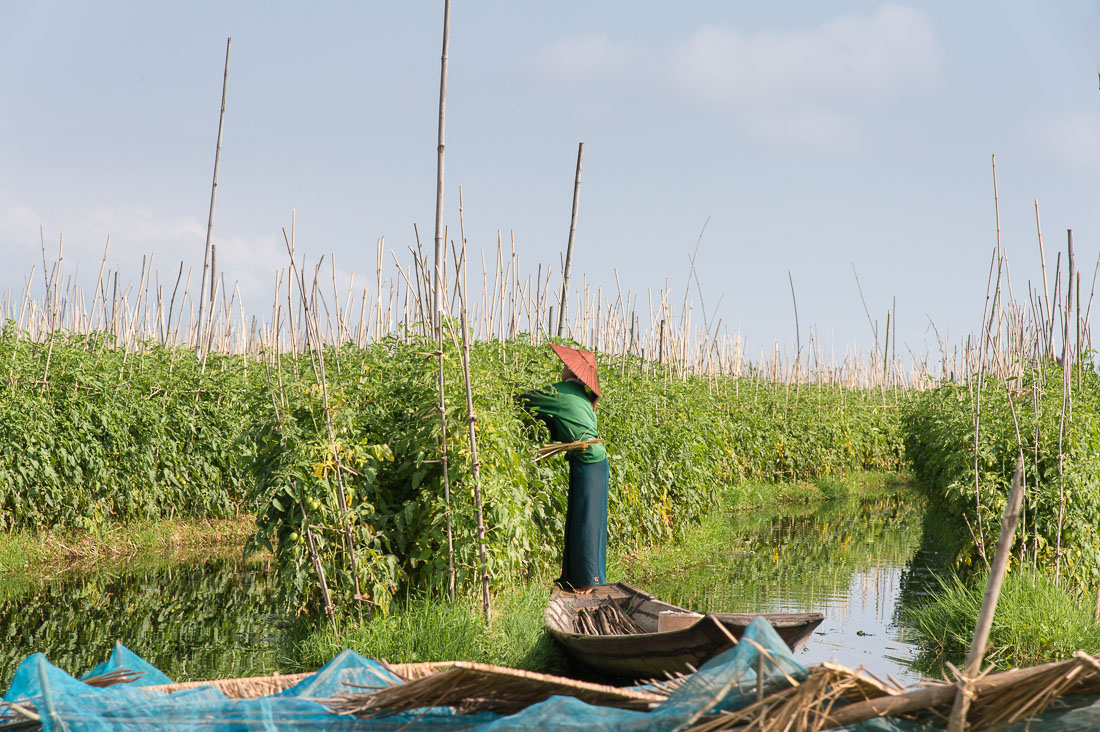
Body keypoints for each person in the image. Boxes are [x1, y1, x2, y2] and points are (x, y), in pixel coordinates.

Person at [519, 344, 609, 595]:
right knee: (583, 518)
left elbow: (523, 399)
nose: (561, 368)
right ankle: (573, 576)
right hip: (594, 462)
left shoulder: (560, 392)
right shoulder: (581, 394)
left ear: (570, 368)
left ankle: (588, 580)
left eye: (563, 365)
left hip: (589, 461)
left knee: (586, 522)